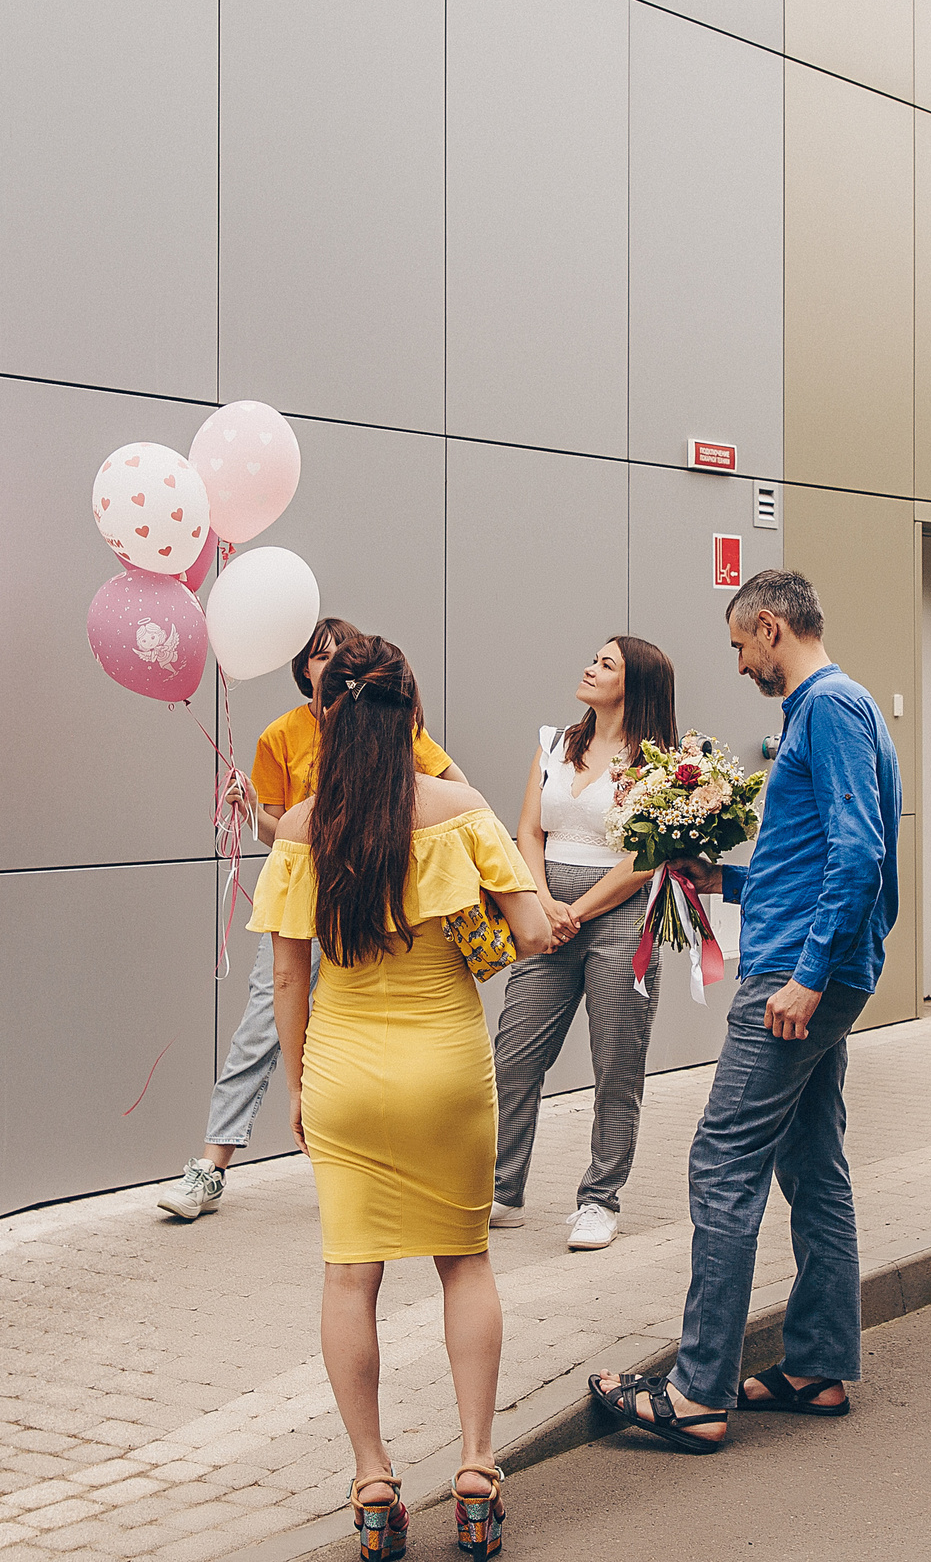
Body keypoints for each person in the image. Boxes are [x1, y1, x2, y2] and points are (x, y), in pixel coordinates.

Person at [248, 635, 556, 1559]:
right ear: (410, 710)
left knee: (351, 1274)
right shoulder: (458, 808)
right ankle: (474, 1468)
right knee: (463, 1262)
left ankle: (374, 1483)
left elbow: (288, 981)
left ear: (324, 714)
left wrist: (301, 1088)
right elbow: (533, 927)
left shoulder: (302, 826)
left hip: (342, 1070)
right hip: (448, 1067)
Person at [588, 569, 901, 1452]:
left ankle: (697, 1391)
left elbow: (859, 852)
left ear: (770, 627)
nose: (738, 664)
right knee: (812, 1160)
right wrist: (723, 878)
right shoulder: (840, 708)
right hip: (819, 961)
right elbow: (815, 862)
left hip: (797, 976)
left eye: (739, 644)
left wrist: (806, 976)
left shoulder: (829, 708)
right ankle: (818, 1365)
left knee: (721, 1158)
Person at [156, 617, 467, 1222]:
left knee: (384, 1027)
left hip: (382, 901)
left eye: (341, 657)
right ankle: (210, 1167)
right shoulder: (280, 736)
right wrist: (255, 809)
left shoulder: (393, 725)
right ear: (302, 669)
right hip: (310, 904)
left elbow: (455, 788)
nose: (328, 667)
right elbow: (278, 833)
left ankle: (382, 1168)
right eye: (319, 658)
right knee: (260, 1027)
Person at [490, 636, 677, 1252]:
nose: (589, 668)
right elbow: (527, 829)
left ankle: (599, 1199)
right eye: (594, 659)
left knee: (616, 1064)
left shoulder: (660, 761)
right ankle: (503, 1191)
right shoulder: (552, 743)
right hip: (547, 904)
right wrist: (543, 903)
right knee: (515, 1052)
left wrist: (578, 909)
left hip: (621, 911)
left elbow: (645, 858)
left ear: (635, 684)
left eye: (606, 664)